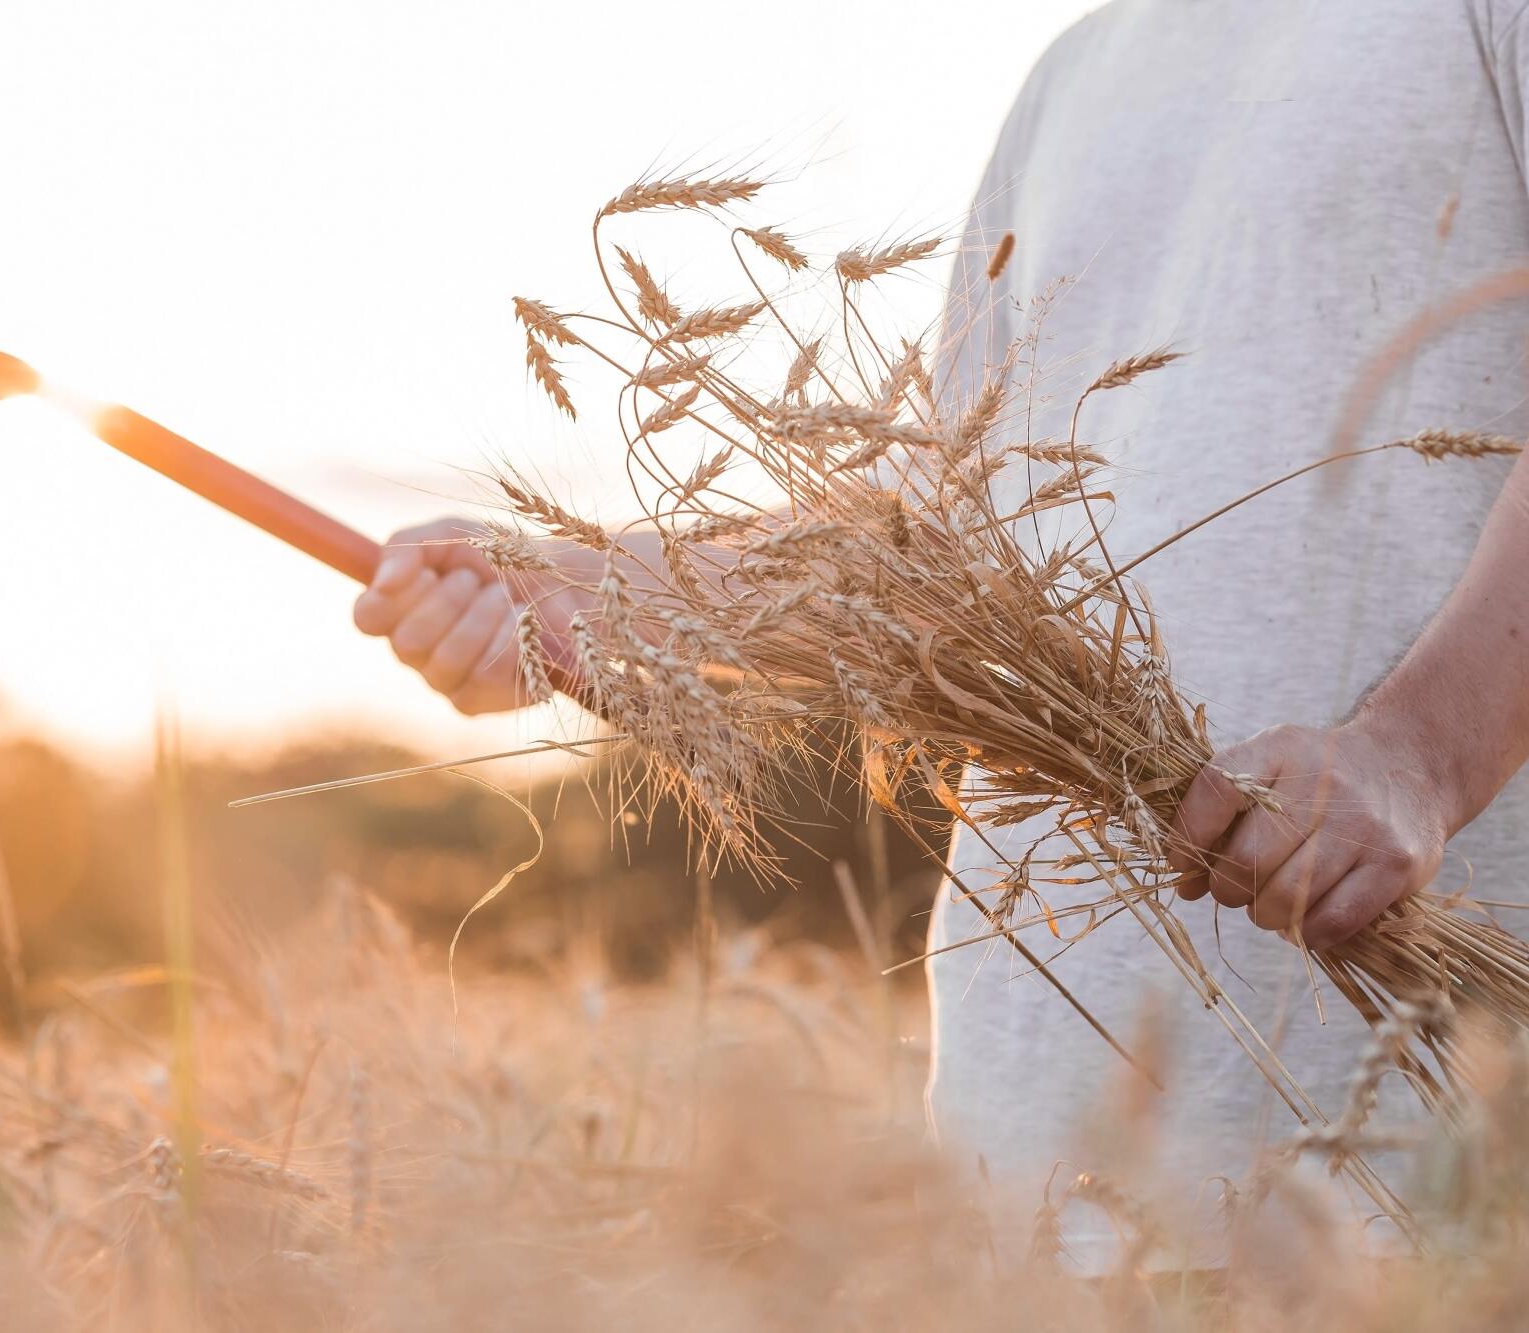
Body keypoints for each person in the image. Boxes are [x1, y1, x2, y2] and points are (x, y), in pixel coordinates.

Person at [353, 0, 1529, 1269]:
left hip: (1419, 1142)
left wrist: (1419, 754)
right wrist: (596, 586)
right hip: (1033, 1157)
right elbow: (940, 549)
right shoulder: (1077, 71)